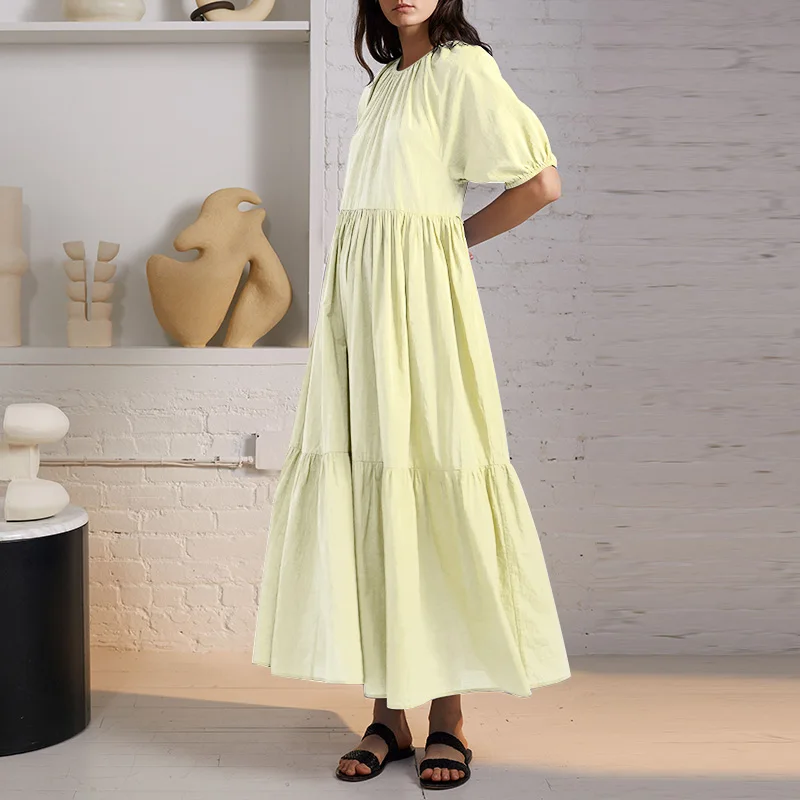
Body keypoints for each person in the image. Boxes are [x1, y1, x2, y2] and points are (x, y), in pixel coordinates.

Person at [251, 0, 571, 790]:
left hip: (420, 310)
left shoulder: (464, 70)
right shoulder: (384, 82)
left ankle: (448, 717)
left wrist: (451, 240)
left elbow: (540, 183)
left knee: (428, 481)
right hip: (360, 314)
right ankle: (389, 714)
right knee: (372, 485)